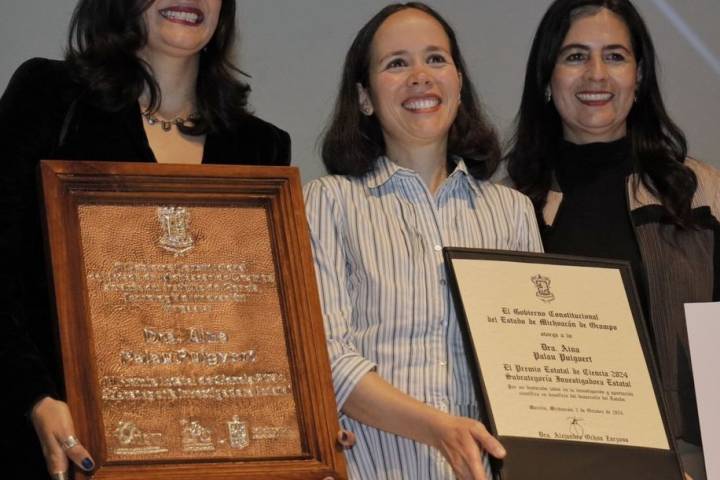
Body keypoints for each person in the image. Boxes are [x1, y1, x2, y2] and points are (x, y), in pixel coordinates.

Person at [0, 1, 290, 478]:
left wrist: (300, 423)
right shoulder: (50, 97)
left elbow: (258, 322)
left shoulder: (260, 147)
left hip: (209, 457)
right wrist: (35, 397)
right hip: (56, 447)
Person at [304, 3, 542, 479]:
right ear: (365, 98)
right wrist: (438, 428)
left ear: (459, 83)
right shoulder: (327, 202)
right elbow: (324, 358)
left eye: (435, 59)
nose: (420, 77)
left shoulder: (512, 212)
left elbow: (535, 363)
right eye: (396, 63)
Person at [506, 1, 718, 479]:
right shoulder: (509, 207)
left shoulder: (704, 195)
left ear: (638, 77)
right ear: (547, 77)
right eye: (575, 56)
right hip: (552, 464)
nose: (596, 74)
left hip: (686, 465)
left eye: (615, 56)